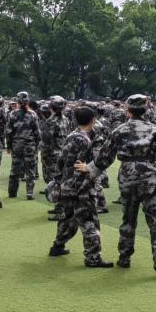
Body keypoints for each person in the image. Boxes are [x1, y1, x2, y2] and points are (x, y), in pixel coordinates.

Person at [75, 94, 156, 279]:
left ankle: (124, 257)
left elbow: (105, 157)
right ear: (146, 109)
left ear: (127, 110)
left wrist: (88, 168)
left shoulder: (118, 130)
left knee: (128, 218)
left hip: (127, 175)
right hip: (149, 175)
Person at [49, 106, 112, 268]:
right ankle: (93, 258)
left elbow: (60, 162)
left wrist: (59, 181)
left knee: (68, 219)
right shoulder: (85, 140)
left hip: (67, 185)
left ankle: (58, 246)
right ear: (93, 120)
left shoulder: (71, 136)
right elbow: (89, 166)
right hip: (81, 188)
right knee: (90, 222)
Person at [6, 91, 41, 200]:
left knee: (15, 169)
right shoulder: (33, 114)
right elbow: (37, 133)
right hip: (30, 146)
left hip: (17, 145)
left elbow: (8, 132)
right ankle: (29, 193)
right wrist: (37, 147)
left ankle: (12, 193)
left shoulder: (12, 114)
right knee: (30, 170)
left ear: (17, 101)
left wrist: (8, 146)